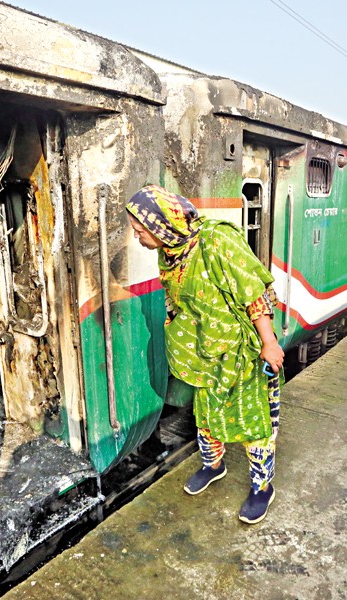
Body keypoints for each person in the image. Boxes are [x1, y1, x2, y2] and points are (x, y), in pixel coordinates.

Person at [125, 184, 284, 524]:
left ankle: (262, 487)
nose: (137, 237)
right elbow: (174, 294)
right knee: (207, 417)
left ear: (161, 224)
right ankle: (214, 465)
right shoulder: (168, 250)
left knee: (251, 421)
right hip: (203, 353)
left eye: (141, 231)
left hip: (239, 351)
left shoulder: (216, 241)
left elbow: (253, 293)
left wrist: (269, 343)